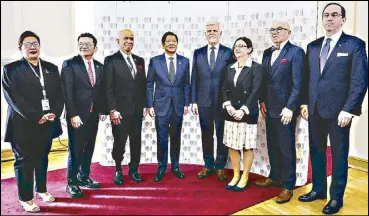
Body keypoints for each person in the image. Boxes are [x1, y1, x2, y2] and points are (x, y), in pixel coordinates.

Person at [298, 3, 368, 215]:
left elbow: (360, 80)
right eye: (326, 15)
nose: (329, 18)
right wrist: (303, 103)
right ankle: (318, 190)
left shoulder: (354, 45)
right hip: (314, 109)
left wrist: (349, 109)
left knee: (338, 155)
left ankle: (336, 197)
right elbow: (306, 79)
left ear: (343, 20)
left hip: (340, 113)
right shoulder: (312, 46)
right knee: (317, 152)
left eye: (335, 15)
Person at [2, 31, 64, 212]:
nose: (32, 47)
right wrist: (37, 115)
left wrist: (54, 113)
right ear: (20, 48)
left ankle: (42, 189)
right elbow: (14, 99)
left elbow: (59, 95)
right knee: (24, 161)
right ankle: (26, 198)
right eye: (27, 44)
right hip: (23, 124)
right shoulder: (11, 70)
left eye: (35, 43)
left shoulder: (51, 68)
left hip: (47, 122)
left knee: (43, 158)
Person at [255, 20, 305, 204]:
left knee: (286, 148)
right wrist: (261, 101)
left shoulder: (296, 52)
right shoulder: (268, 52)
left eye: (279, 29)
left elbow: (298, 83)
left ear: (289, 32)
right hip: (269, 109)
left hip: (285, 110)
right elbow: (264, 80)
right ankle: (274, 176)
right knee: (272, 144)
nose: (275, 32)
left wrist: (290, 107)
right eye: (272, 30)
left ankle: (288, 185)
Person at [61, 33, 106, 198]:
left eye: (88, 44)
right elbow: (68, 91)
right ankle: (71, 183)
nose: (84, 46)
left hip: (93, 115)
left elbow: (100, 91)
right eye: (81, 43)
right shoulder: (70, 64)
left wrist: (102, 110)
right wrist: (73, 114)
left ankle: (84, 176)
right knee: (75, 150)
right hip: (77, 116)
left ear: (95, 47)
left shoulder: (100, 66)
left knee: (89, 147)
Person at [104, 29, 147, 185]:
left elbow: (142, 85)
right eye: (125, 38)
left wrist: (145, 106)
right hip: (119, 112)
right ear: (118, 41)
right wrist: (112, 110)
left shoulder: (140, 60)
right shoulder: (110, 60)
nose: (129, 41)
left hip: (137, 111)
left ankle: (134, 170)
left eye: (131, 38)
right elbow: (108, 88)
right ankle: (118, 170)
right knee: (119, 142)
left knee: (136, 141)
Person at [146, 31, 191, 182]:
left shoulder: (184, 61)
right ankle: (161, 167)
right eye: (168, 41)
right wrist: (150, 105)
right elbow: (149, 84)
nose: (172, 43)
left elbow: (186, 84)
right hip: (160, 106)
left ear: (177, 43)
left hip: (178, 106)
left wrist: (186, 103)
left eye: (174, 41)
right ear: (163, 43)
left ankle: (176, 166)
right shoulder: (155, 61)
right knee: (162, 138)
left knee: (176, 137)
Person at [190, 20, 232, 181]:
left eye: (215, 30)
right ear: (205, 34)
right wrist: (193, 101)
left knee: (222, 134)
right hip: (203, 101)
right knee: (206, 134)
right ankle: (208, 165)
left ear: (220, 34)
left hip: (223, 102)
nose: (212, 33)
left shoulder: (228, 52)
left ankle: (220, 166)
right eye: (209, 31)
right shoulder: (198, 53)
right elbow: (195, 78)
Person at [221, 37, 263, 192]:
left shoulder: (256, 67)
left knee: (247, 146)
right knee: (232, 145)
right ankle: (236, 175)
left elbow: (256, 91)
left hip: (248, 112)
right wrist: (228, 106)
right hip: (231, 113)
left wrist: (243, 110)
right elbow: (224, 89)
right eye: (235, 46)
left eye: (241, 46)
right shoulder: (229, 68)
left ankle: (245, 176)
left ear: (249, 49)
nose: (237, 48)